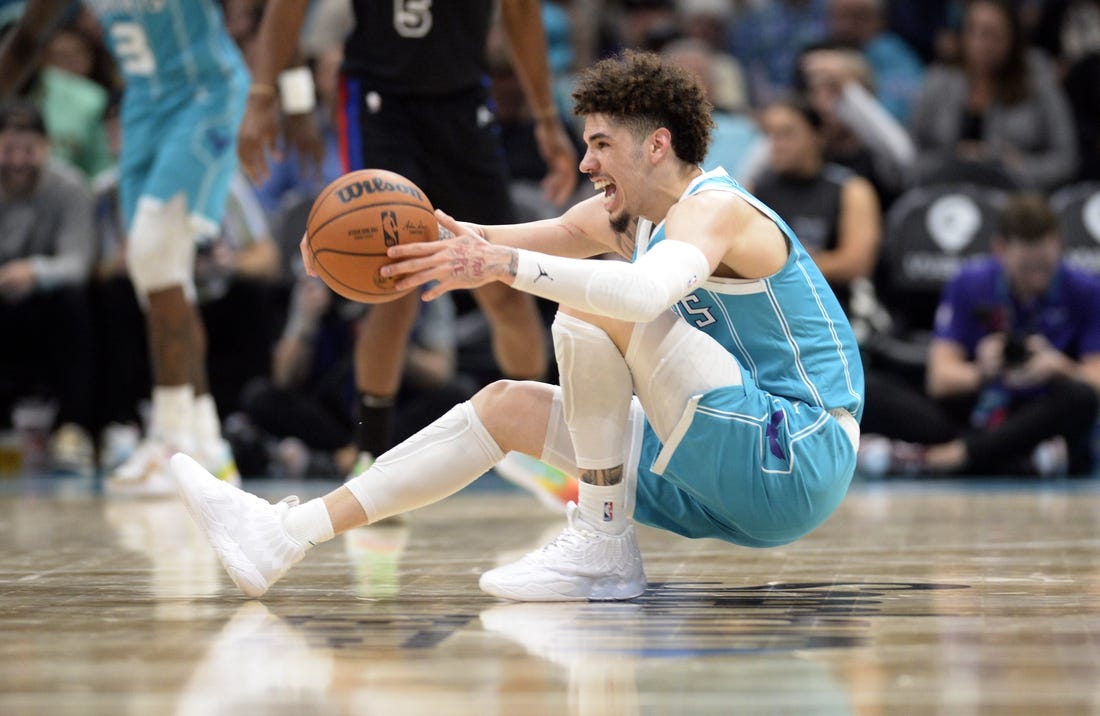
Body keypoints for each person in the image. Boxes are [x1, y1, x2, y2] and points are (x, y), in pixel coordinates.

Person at [170, 50, 864, 602]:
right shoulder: (628, 217)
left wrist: (500, 264)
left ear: (657, 145)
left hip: (797, 450)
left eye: (599, 144)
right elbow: (504, 236)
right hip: (726, 473)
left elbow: (644, 293)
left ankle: (601, 543)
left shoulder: (717, 209)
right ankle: (283, 536)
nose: (586, 163)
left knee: (597, 307)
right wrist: (355, 253)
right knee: (506, 407)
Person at [240, 0, 579, 478]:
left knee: (500, 283)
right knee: (392, 288)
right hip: (381, 105)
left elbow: (521, 11)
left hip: (463, 104)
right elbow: (287, 9)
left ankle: (539, 440)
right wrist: (270, 98)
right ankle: (369, 453)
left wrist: (546, 116)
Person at [0, 0, 255, 493]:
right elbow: (27, 40)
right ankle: (208, 444)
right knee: (161, 278)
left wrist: (274, 94)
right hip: (143, 106)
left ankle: (171, 438)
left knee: (157, 259)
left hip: (205, 97)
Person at [859, 192, 1100, 476]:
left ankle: (947, 458)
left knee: (1080, 398)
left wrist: (1059, 367)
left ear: (1057, 245)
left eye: (1045, 267)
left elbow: (1094, 381)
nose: (1037, 277)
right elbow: (940, 379)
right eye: (1027, 268)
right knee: (869, 391)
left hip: (1040, 409)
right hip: (982, 407)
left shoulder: (1085, 289)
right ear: (1001, 249)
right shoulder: (969, 282)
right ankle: (1014, 460)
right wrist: (982, 371)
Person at [0, 99, 95, 476]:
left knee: (79, 303)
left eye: (28, 150)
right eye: (8, 150)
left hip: (48, 303)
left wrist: (33, 272)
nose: (18, 161)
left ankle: (73, 428)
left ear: (46, 148)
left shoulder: (69, 187)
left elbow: (79, 261)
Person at [909, 0, 1078, 192]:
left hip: (1015, 201)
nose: (981, 43)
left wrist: (1016, 166)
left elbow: (1066, 160)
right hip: (943, 195)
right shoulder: (938, 79)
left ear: (1012, 39)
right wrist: (952, 159)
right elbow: (910, 155)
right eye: (973, 31)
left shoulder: (1037, 77)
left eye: (992, 35)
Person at [751, 98, 882, 317]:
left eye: (787, 133)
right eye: (771, 134)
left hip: (835, 310)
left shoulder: (851, 189)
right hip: (771, 311)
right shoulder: (757, 189)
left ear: (817, 136)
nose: (777, 144)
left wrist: (777, 265)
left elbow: (857, 262)